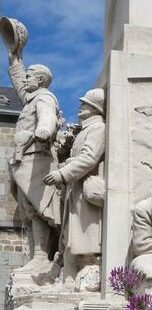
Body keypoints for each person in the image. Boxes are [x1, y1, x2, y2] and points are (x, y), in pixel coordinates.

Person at [44, 88, 105, 289]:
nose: (81, 107)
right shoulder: (86, 130)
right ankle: (68, 278)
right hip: (74, 188)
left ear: (95, 108)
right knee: (69, 236)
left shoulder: (98, 128)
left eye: (86, 104)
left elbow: (89, 158)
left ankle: (86, 275)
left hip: (83, 188)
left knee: (84, 235)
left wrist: (63, 173)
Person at [7, 50, 61, 272]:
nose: (26, 79)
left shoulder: (44, 97)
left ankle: (41, 256)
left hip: (37, 159)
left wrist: (44, 130)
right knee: (28, 209)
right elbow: (19, 81)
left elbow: (48, 116)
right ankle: (35, 257)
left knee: (38, 207)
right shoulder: (30, 98)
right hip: (23, 161)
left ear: (40, 80)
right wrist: (15, 58)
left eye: (30, 76)